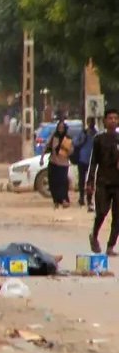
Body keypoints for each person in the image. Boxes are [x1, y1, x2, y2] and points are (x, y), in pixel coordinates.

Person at [86, 108, 119, 254]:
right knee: (102, 212)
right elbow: (94, 162)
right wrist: (90, 182)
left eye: (115, 118)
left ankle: (111, 246)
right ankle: (94, 235)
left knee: (117, 216)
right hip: (103, 182)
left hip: (118, 183)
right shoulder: (99, 139)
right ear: (105, 121)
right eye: (110, 118)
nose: (113, 121)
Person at [42, 119, 74, 209]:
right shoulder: (54, 136)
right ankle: (56, 201)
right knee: (53, 182)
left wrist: (66, 149)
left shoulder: (68, 138)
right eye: (59, 127)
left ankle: (64, 200)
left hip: (63, 163)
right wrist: (42, 158)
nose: (60, 129)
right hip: (53, 162)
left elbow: (71, 151)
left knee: (63, 182)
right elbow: (47, 146)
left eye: (62, 127)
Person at [74, 118, 97, 209]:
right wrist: (83, 139)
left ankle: (89, 199)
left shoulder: (96, 134)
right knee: (81, 179)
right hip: (82, 159)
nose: (91, 124)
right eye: (89, 122)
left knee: (90, 180)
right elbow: (75, 143)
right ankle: (81, 198)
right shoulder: (83, 133)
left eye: (92, 122)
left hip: (92, 160)